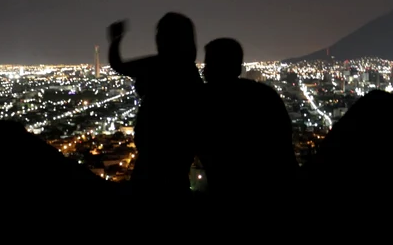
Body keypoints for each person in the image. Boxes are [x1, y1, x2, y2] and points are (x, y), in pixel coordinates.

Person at [107, 12, 203, 199]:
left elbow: (118, 65)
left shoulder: (160, 64)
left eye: (161, 34)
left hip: (154, 150)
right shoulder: (190, 72)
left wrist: (116, 40)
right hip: (179, 151)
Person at [196, 38, 298, 208]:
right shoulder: (265, 96)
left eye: (208, 64)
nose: (204, 72)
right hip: (277, 195)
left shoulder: (209, 101)